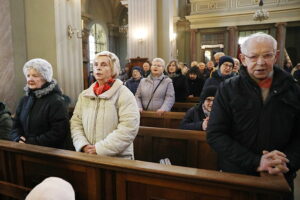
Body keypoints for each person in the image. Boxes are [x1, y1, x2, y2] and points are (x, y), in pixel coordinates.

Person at [207, 32, 300, 199]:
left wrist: (288, 161)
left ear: (276, 56)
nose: (261, 62)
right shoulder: (228, 89)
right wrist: (256, 161)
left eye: (267, 55)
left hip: (280, 178)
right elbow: (215, 134)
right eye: (253, 56)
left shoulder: (293, 89)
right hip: (238, 176)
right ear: (243, 59)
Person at [71, 51, 139, 159]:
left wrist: (99, 149)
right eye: (96, 64)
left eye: (104, 65)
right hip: (88, 156)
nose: (98, 68)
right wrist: (83, 144)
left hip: (117, 159)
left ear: (113, 69)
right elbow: (76, 122)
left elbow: (128, 128)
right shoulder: (85, 95)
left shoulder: (124, 94)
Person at [9, 58, 69, 148]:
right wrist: (17, 138)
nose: (30, 79)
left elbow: (58, 132)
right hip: (23, 149)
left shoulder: (56, 101)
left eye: (35, 76)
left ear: (45, 78)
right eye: (28, 75)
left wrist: (30, 142)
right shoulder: (24, 100)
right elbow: (16, 125)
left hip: (48, 153)